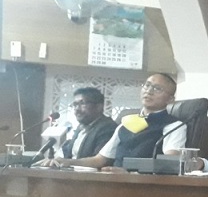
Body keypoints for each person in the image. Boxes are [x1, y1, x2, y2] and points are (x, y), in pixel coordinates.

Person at [49, 73, 186, 171]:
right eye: (147, 85)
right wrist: (66, 162)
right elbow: (99, 160)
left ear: (170, 99)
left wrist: (130, 173)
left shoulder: (174, 126)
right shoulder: (125, 124)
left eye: (157, 89)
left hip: (146, 188)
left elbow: (169, 164)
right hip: (115, 181)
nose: (149, 91)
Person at [34, 87, 116, 165]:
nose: (77, 109)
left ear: (99, 107)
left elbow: (100, 161)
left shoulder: (108, 128)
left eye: (82, 103)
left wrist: (68, 162)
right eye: (75, 104)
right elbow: (68, 154)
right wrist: (54, 161)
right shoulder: (80, 127)